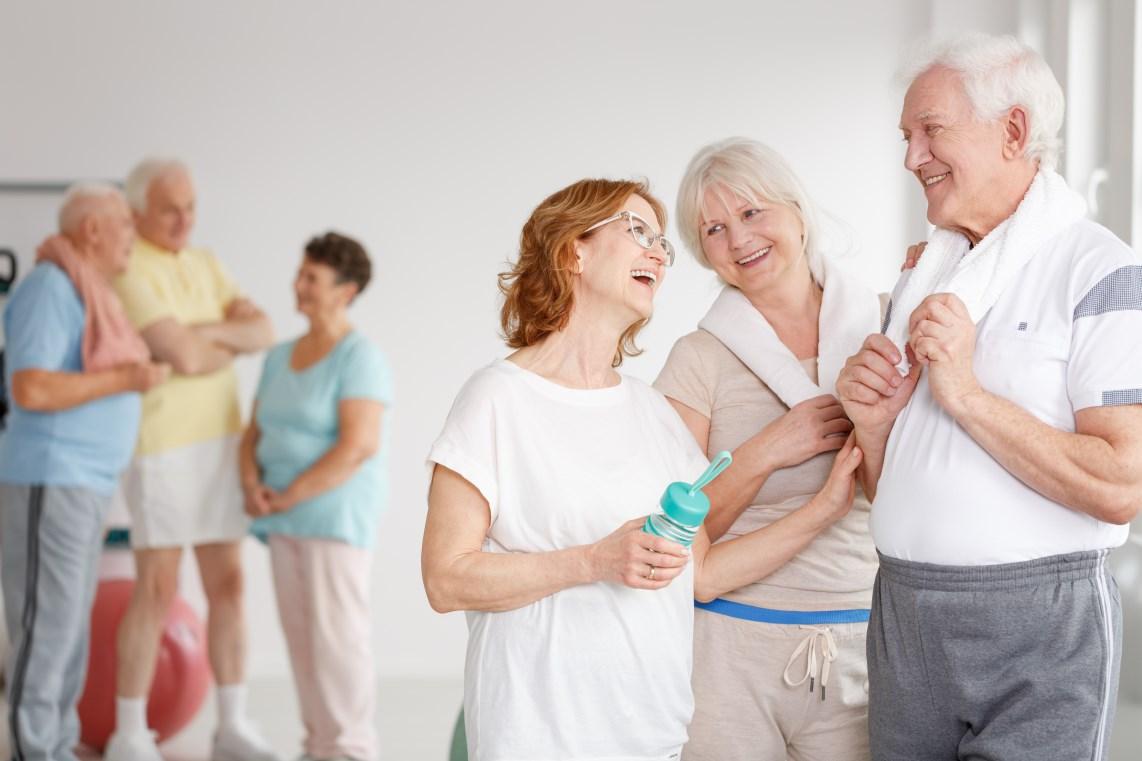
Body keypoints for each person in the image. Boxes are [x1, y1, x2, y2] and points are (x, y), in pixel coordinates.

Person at [422, 178, 862, 761]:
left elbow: (702, 573)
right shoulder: (497, 398)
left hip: (652, 736)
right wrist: (593, 561)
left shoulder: (652, 411)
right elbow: (445, 580)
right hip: (539, 738)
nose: (658, 253)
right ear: (573, 251)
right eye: (637, 232)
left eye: (662, 243)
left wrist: (823, 510)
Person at [837, 33, 1142, 761]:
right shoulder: (925, 277)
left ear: (1013, 130)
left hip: (1039, 624)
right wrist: (873, 424)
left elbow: (1120, 486)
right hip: (905, 614)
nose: (912, 158)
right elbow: (889, 488)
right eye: (907, 137)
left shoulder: (1098, 269)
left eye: (931, 129)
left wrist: (966, 392)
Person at [656, 137, 880, 760]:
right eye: (714, 229)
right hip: (730, 655)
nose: (739, 240)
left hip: (861, 649)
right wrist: (768, 450)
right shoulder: (697, 360)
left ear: (797, 211)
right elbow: (678, 536)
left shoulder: (887, 325)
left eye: (752, 212)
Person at [106, 158, 277, 761]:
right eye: (169, 210)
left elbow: (263, 332)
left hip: (222, 444)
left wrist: (197, 335)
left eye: (191, 208)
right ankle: (129, 734)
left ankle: (231, 725)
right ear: (136, 213)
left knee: (229, 584)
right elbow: (184, 355)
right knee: (157, 587)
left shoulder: (206, 263)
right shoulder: (126, 269)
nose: (184, 220)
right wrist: (217, 336)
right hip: (162, 448)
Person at [0, 184, 167, 761]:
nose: (133, 236)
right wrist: (128, 380)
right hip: (51, 477)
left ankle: (56, 746)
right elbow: (32, 387)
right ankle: (36, 750)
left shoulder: (86, 290)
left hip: (81, 483)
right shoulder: (51, 287)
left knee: (67, 627)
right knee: (47, 625)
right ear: (92, 229)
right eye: (125, 224)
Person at [240, 232, 392, 761]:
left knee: (338, 641)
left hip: (333, 517)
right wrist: (252, 486)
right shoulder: (279, 356)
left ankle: (351, 749)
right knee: (302, 642)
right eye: (300, 273)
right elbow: (251, 433)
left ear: (345, 291)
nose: (299, 285)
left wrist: (289, 495)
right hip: (281, 518)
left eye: (313, 278)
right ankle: (318, 747)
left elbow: (358, 446)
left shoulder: (360, 357)